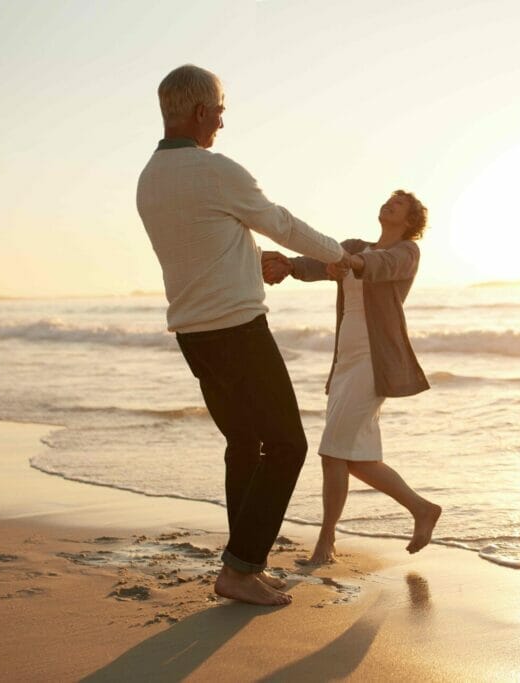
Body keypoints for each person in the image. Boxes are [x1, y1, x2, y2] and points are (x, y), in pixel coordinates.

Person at [136, 64, 351, 606]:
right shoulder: (215, 170)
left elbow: (202, 251)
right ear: (202, 111)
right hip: (237, 331)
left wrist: (256, 263)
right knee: (287, 445)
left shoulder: (149, 178)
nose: (223, 123)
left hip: (194, 334)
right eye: (221, 111)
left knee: (245, 445)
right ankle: (240, 569)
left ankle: (243, 564)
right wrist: (343, 258)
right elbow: (282, 221)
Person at [263, 190, 442, 565]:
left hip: (373, 362)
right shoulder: (353, 246)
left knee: (333, 452)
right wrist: (289, 266)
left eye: (399, 204)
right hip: (345, 361)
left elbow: (380, 266)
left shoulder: (407, 252)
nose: (389, 204)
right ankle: (421, 508)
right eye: (389, 199)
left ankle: (326, 543)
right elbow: (317, 263)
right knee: (349, 457)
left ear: (409, 222)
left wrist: (348, 262)